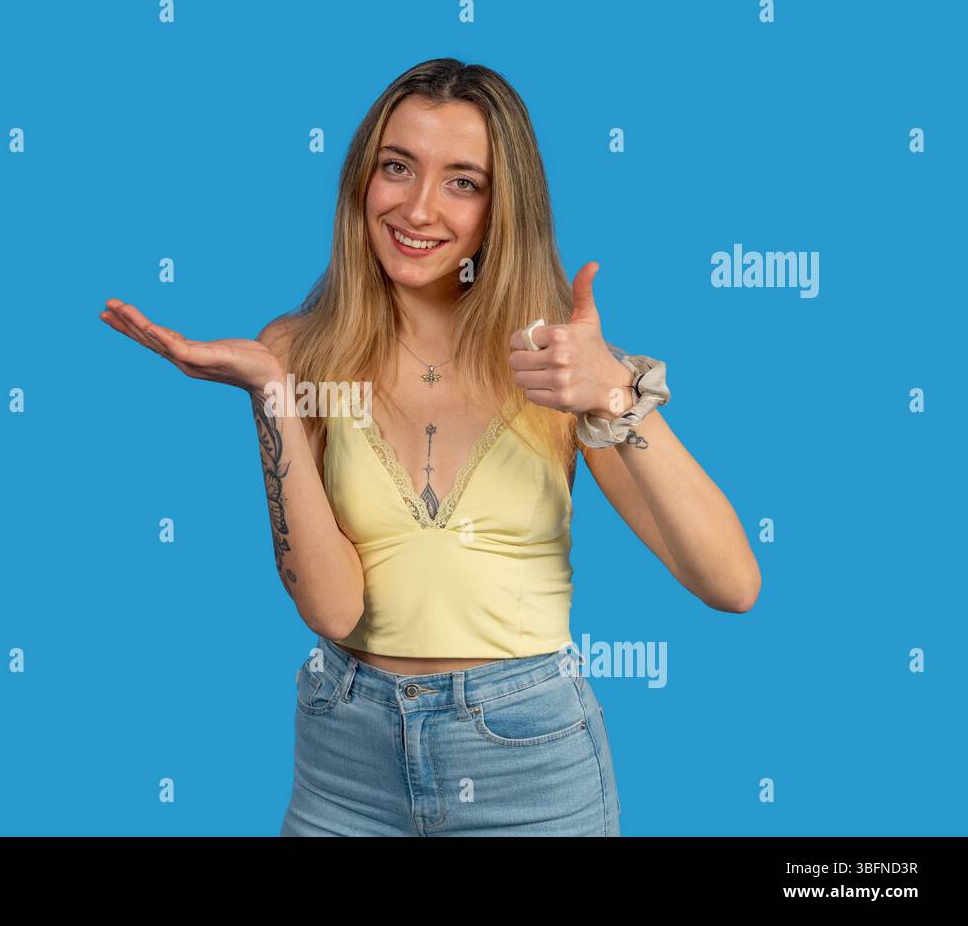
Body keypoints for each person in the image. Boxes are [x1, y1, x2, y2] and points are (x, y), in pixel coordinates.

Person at [99, 58, 761, 836]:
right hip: (344, 758)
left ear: (502, 207)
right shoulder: (303, 349)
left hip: (527, 758)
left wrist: (615, 393)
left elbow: (731, 583)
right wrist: (271, 395)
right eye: (397, 167)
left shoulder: (556, 361)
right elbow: (334, 607)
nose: (417, 208)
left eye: (463, 182)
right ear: (361, 180)